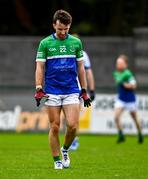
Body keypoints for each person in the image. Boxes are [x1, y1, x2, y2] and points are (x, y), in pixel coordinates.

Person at [34, 9, 91, 169]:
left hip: (71, 89)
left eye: (66, 29)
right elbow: (39, 66)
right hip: (52, 90)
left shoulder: (75, 43)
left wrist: (84, 90)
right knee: (55, 126)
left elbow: (81, 67)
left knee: (72, 126)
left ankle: (65, 149)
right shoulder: (45, 43)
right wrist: (39, 87)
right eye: (60, 29)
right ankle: (57, 160)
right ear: (54, 25)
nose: (63, 32)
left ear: (69, 26)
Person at [69, 36, 95, 150]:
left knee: (74, 117)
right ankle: (69, 139)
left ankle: (74, 140)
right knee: (64, 119)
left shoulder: (83, 55)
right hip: (63, 89)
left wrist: (91, 89)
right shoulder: (63, 52)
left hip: (77, 89)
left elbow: (88, 72)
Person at [113, 54, 143, 144]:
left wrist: (128, 85)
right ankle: (121, 135)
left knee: (134, 118)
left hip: (130, 100)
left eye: (120, 63)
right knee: (116, 117)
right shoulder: (116, 73)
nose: (118, 65)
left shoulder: (128, 73)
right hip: (121, 99)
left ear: (125, 64)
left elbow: (134, 85)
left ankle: (140, 134)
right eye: (117, 63)